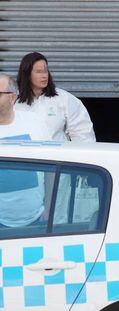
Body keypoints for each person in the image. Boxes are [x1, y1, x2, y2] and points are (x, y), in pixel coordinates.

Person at [0, 74, 51, 227]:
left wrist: (48, 207)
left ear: (13, 98)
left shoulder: (34, 122)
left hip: (37, 219)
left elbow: (51, 168)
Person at [15, 52, 96, 142]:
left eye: (45, 70)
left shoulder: (64, 98)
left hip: (56, 155)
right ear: (27, 75)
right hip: (25, 154)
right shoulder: (13, 100)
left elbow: (83, 133)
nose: (44, 75)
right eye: (39, 71)